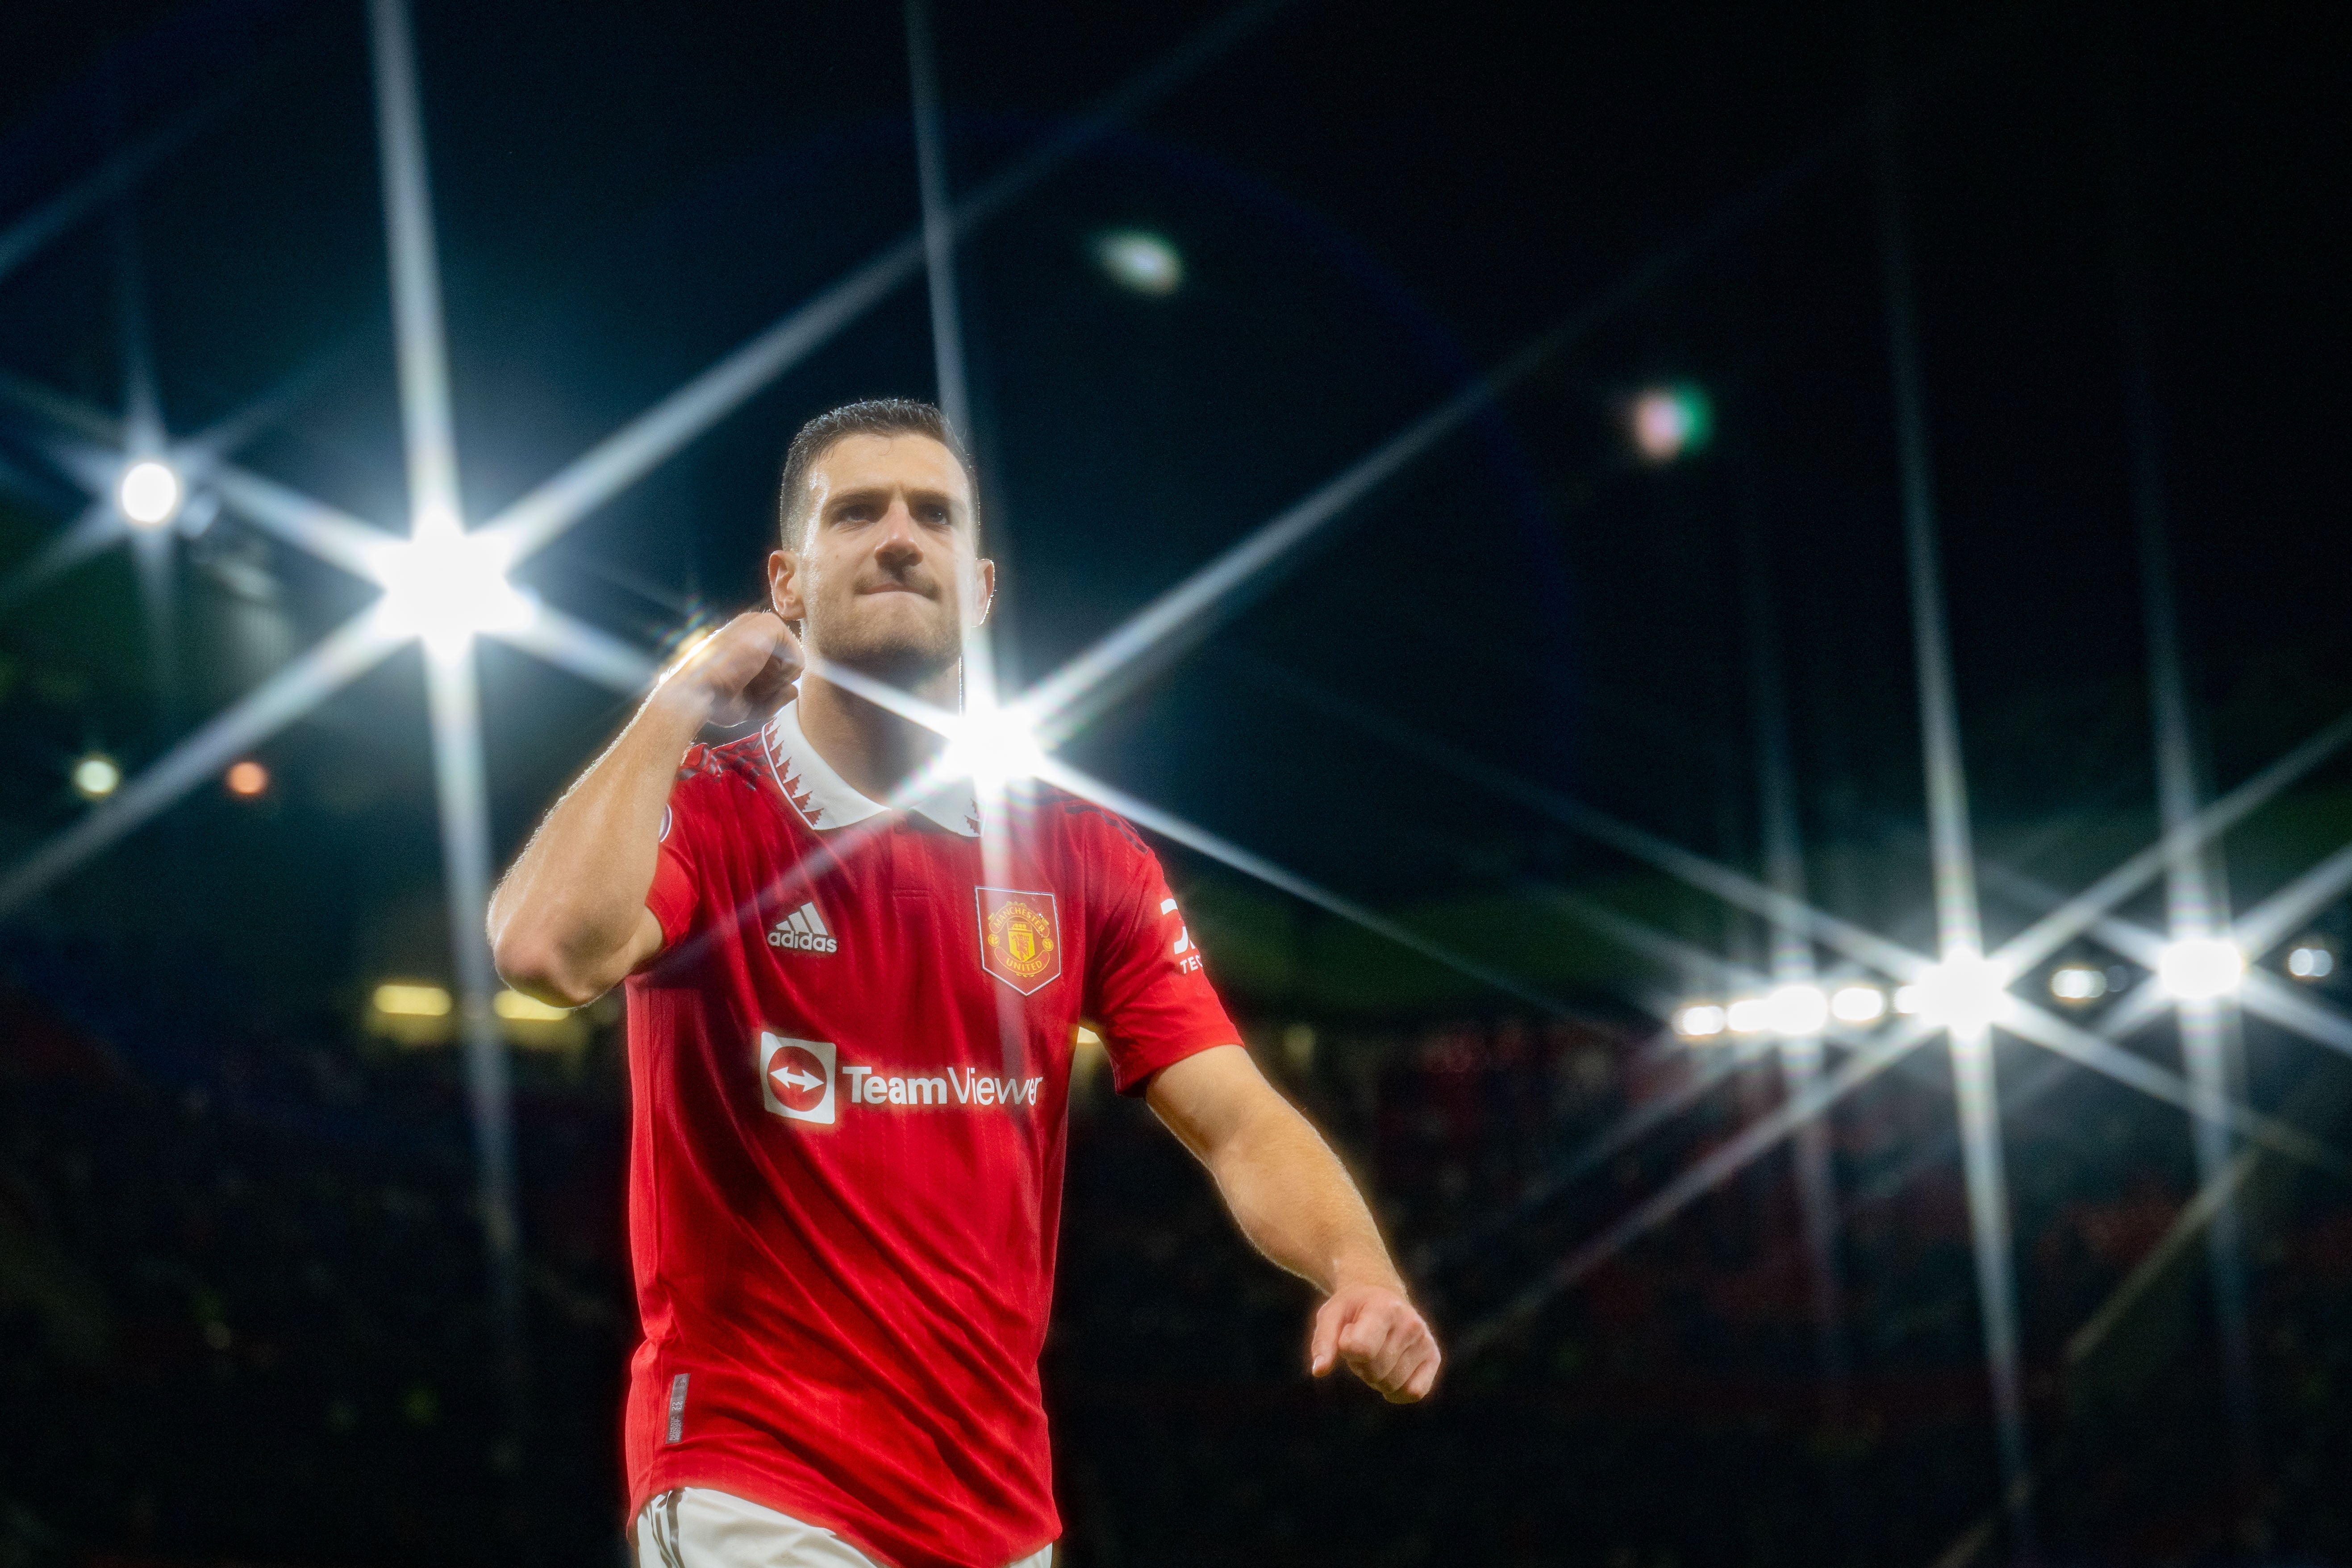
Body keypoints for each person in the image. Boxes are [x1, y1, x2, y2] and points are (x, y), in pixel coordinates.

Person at [488, 399, 1439, 1568]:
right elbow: (545, 955)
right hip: (756, 1474)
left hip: (996, 1505)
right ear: (785, 580)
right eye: (856, 514)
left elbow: (1239, 1119)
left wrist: (1359, 1271)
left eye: (933, 515)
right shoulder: (704, 813)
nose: (898, 536)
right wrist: (679, 697)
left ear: (979, 586)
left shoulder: (1085, 857)